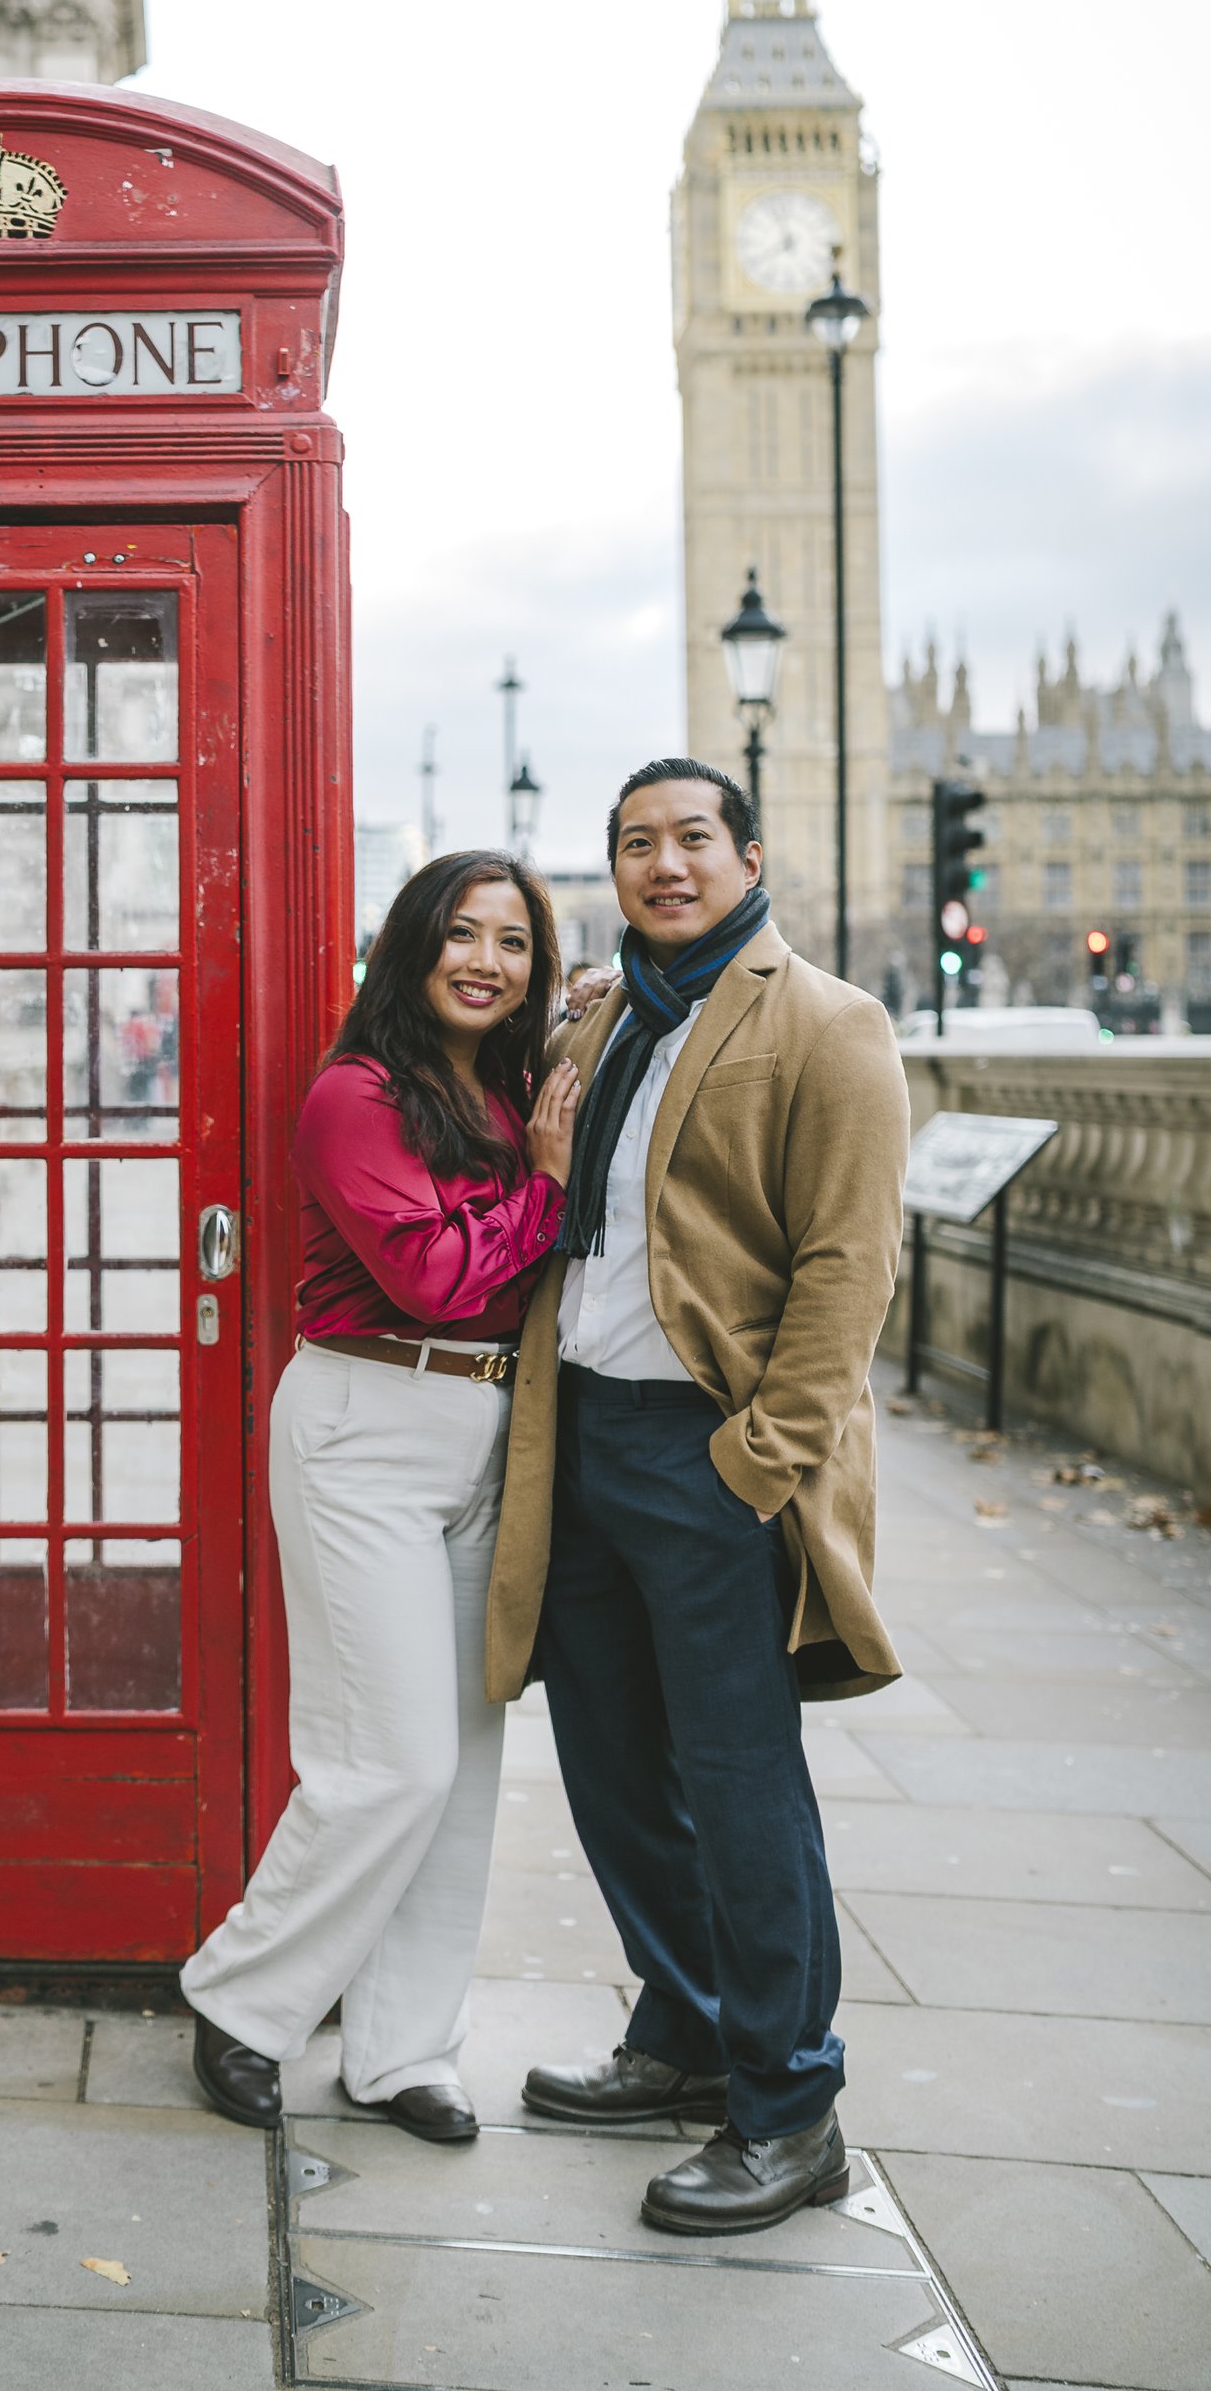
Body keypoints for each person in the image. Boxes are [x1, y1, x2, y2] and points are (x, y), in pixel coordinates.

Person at [484, 758, 909, 2236]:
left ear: (749, 855)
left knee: (740, 1787)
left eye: (689, 840)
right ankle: (684, 2028)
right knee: (611, 1764)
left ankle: (790, 2109)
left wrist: (758, 1464)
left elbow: (849, 1268)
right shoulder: (602, 1018)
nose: (662, 866)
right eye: (634, 845)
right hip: (581, 1441)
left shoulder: (829, 1025)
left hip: (709, 1455)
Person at [183, 850, 581, 2143]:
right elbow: (432, 1277)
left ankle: (405, 2050)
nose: (486, 961)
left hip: (490, 1432)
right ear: (412, 946)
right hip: (367, 1423)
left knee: (463, 1766)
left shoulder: (514, 1088)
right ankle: (242, 2001)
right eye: (461, 934)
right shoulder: (353, 1094)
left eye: (513, 942)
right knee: (388, 1762)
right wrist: (549, 1189)